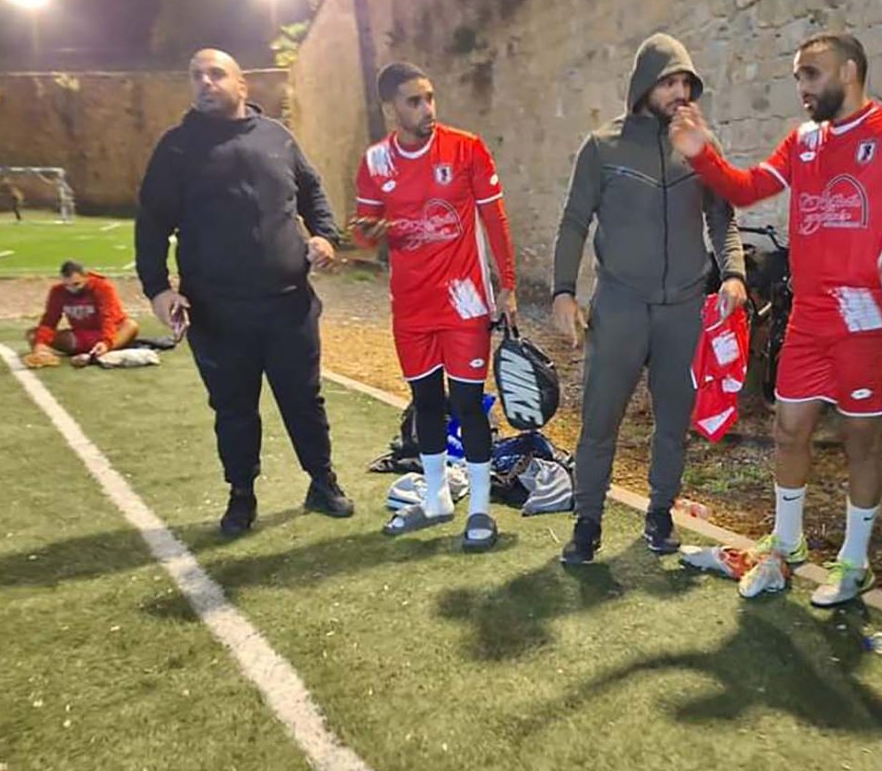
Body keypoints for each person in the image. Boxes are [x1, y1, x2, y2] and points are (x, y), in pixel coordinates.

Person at [669, 32, 882, 605]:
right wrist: (703, 154)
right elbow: (747, 190)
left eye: (812, 74)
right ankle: (787, 543)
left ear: (848, 71)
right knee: (788, 429)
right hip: (809, 316)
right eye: (798, 75)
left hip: (866, 319)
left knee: (860, 441)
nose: (801, 87)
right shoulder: (803, 141)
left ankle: (854, 562)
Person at [135, 48, 353, 537]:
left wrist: (325, 236)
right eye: (196, 75)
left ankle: (322, 481)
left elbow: (312, 191)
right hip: (217, 312)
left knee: (304, 399)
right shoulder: (177, 149)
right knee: (234, 409)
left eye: (216, 74)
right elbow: (151, 223)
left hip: (289, 304)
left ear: (242, 85)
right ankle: (241, 495)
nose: (205, 82)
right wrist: (158, 289)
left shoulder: (276, 137)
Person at [551, 33, 747, 565]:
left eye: (686, 83)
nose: (679, 92)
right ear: (643, 86)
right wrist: (564, 291)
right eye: (668, 82)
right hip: (620, 305)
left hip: (682, 307)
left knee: (673, 422)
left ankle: (660, 512)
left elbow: (723, 219)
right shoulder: (602, 148)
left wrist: (733, 274)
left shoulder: (701, 146)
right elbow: (573, 222)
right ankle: (587, 521)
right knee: (600, 420)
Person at [352, 62, 518, 551]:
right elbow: (363, 232)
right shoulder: (376, 162)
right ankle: (437, 497)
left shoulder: (466, 148)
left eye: (429, 97)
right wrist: (367, 233)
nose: (427, 108)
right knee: (425, 402)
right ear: (390, 109)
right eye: (414, 101)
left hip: (464, 302)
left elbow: (495, 218)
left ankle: (481, 509)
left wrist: (507, 286)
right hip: (410, 307)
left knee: (466, 404)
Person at [26, 260, 140, 367]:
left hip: (110, 333)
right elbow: (49, 320)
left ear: (86, 277)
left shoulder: (103, 287)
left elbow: (109, 317)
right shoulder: (58, 291)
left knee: (130, 325)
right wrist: (40, 343)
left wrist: (106, 342)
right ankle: (97, 352)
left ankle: (103, 350)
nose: (72, 289)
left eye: (76, 284)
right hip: (79, 336)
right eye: (67, 285)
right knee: (33, 335)